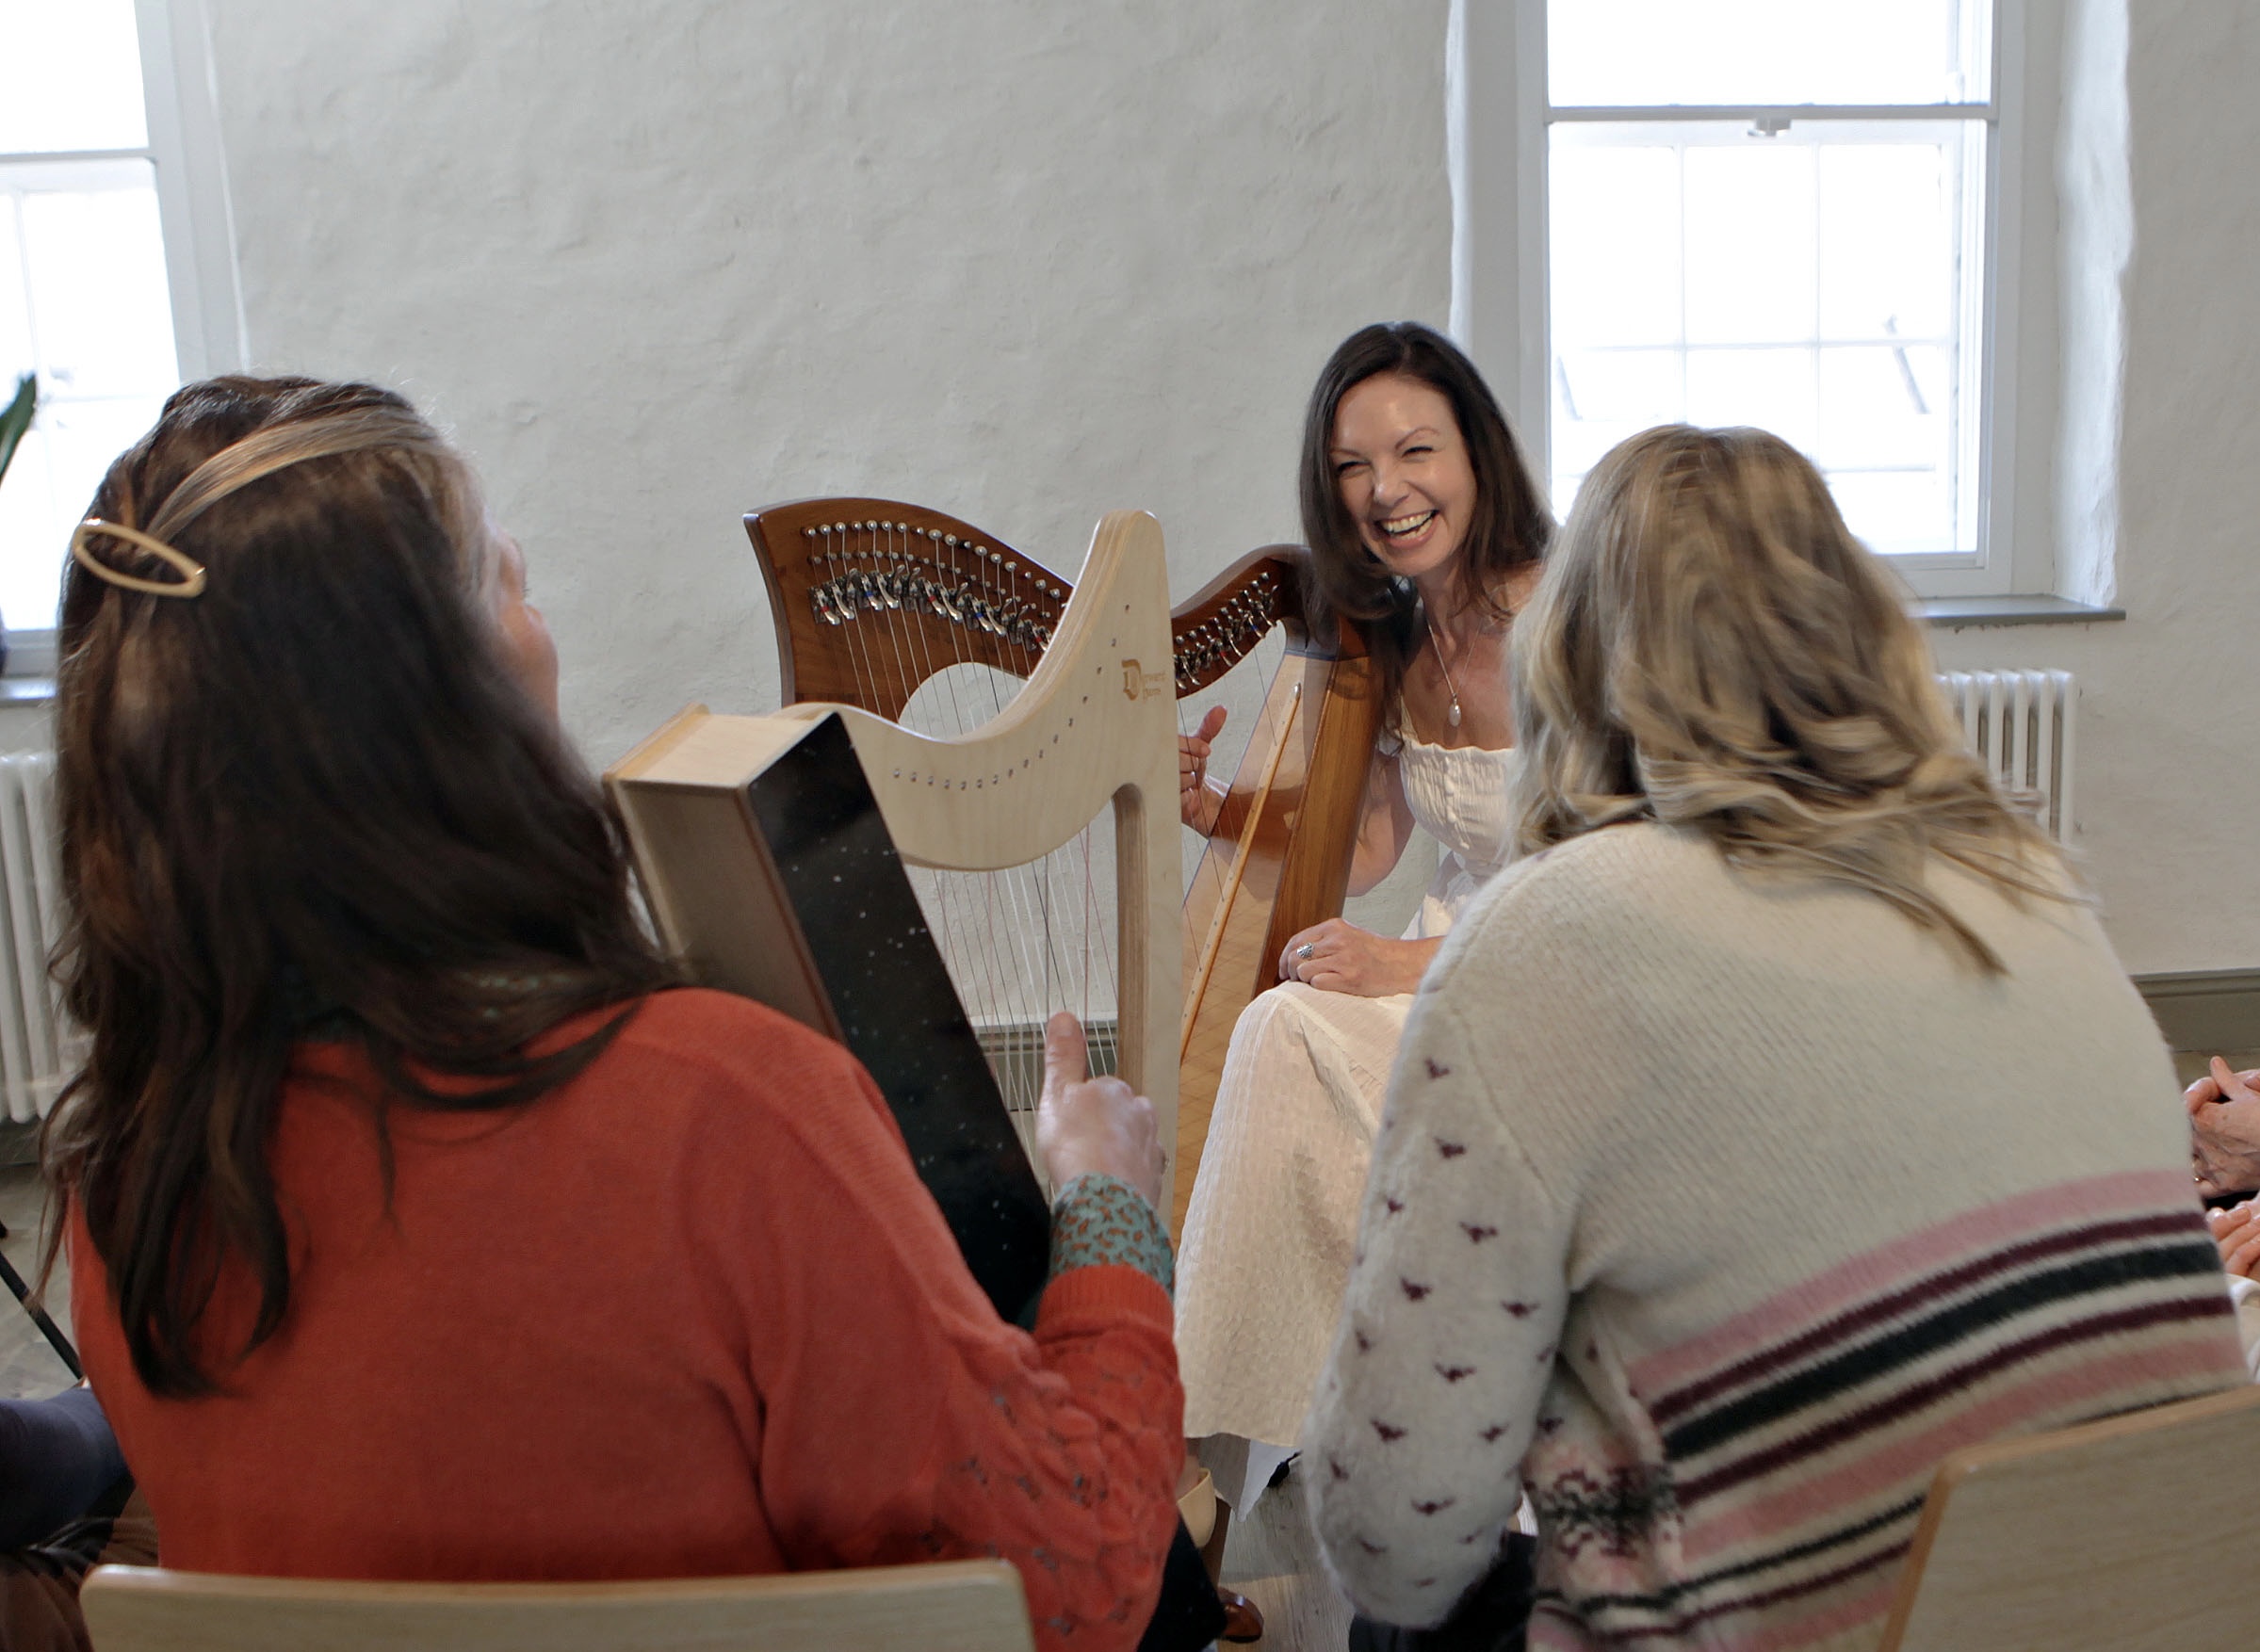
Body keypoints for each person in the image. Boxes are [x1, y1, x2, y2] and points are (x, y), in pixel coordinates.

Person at [41, 377, 1188, 1652]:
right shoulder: (723, 1106)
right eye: (506, 578)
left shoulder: (124, 1171)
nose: (540, 620)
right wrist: (1106, 1204)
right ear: (440, 708)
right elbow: (1075, 1590)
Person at [1307, 425, 2247, 1651]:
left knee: (1400, 1624)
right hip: (2153, 1613)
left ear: (1569, 656)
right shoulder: (2029, 887)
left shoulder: (1544, 935)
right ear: (1857, 633)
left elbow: (1392, 1536)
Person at [1172, 322, 1551, 1516]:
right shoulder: (1393, 633)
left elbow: (1602, 886)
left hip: (1557, 972)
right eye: (1352, 465)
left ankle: (1200, 1437)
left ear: (1475, 452)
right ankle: (1253, 1430)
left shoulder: (1566, 618)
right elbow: (1372, 840)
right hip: (1449, 953)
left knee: (1283, 1030)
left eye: (1414, 450)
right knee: (1278, 1026)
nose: (1386, 489)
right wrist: (1214, 813)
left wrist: (1400, 961)